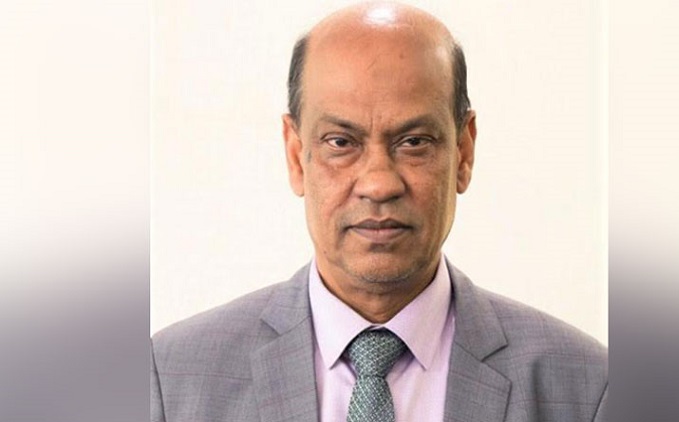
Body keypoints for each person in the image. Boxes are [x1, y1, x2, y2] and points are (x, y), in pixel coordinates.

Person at [150, 2, 608, 421]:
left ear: (464, 152)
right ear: (296, 156)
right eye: (341, 142)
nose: (379, 184)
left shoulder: (588, 390)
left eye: (414, 142)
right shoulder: (171, 381)